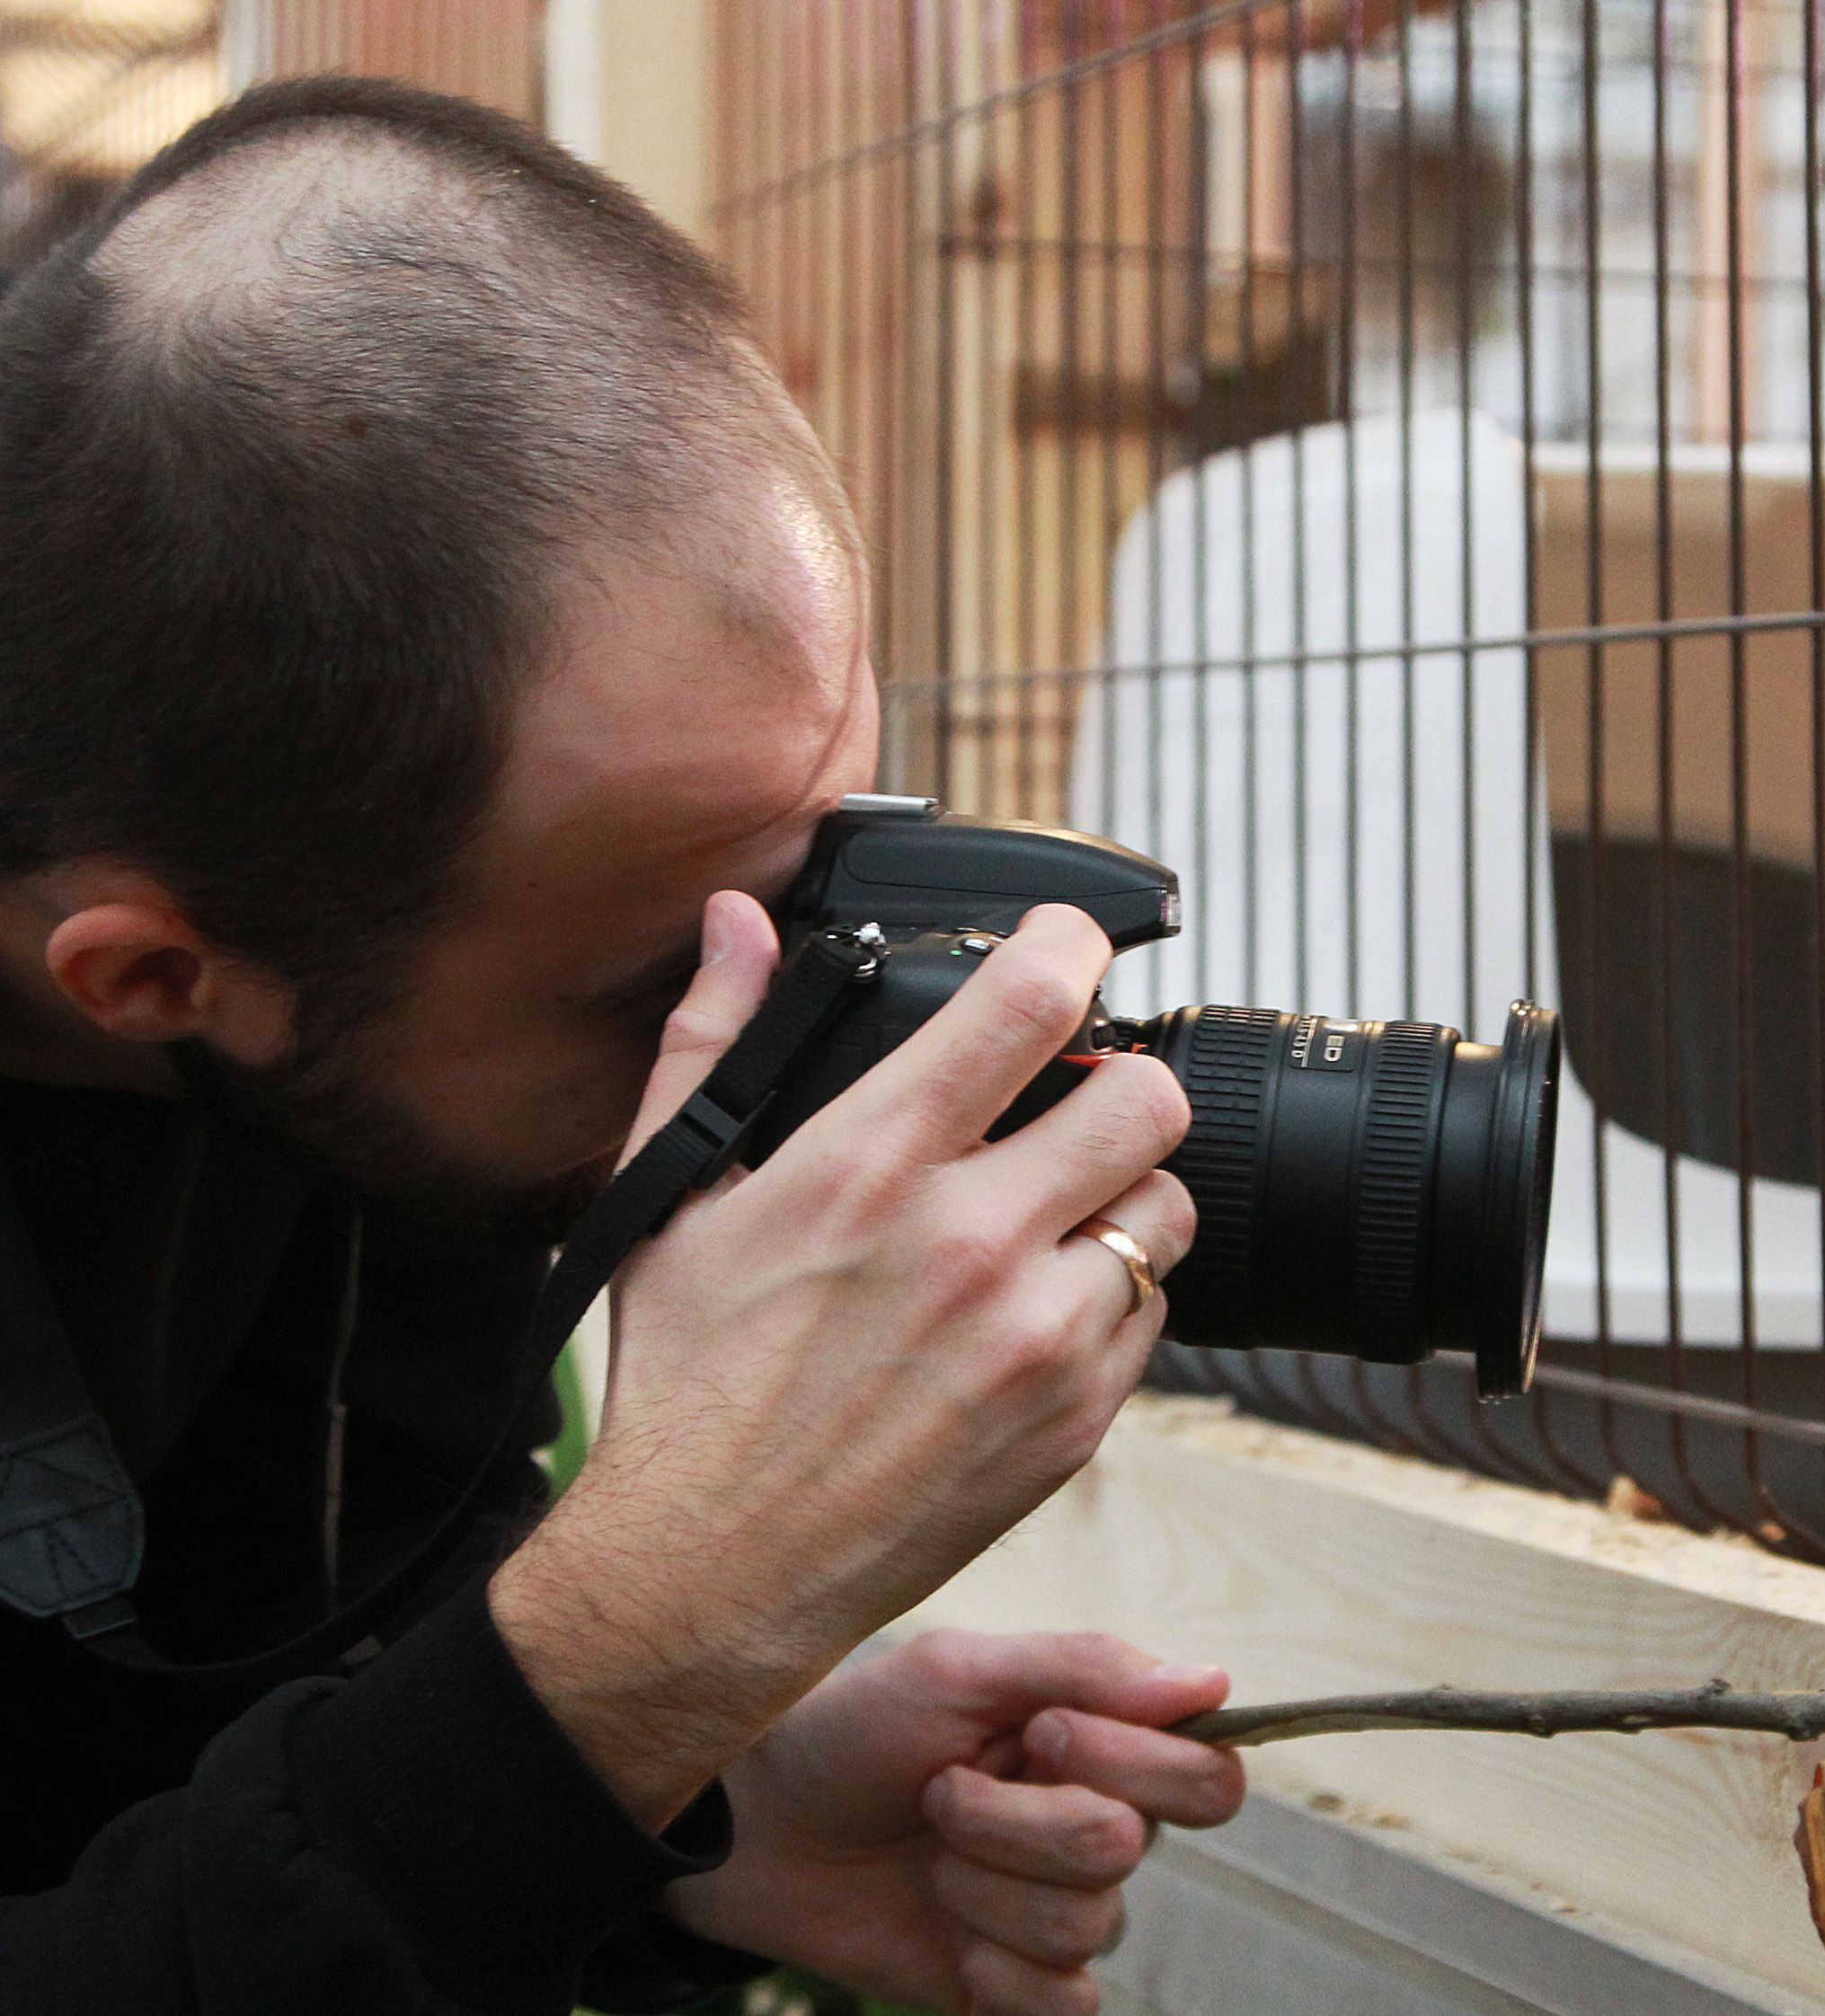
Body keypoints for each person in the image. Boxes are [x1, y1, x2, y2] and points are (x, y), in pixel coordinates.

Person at [0, 77, 1237, 2015]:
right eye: (660, 974)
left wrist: (683, 1827)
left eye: (821, 888)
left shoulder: (393, 1053)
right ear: (154, 981)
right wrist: (641, 1643)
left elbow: (220, 1786)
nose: (760, 1030)